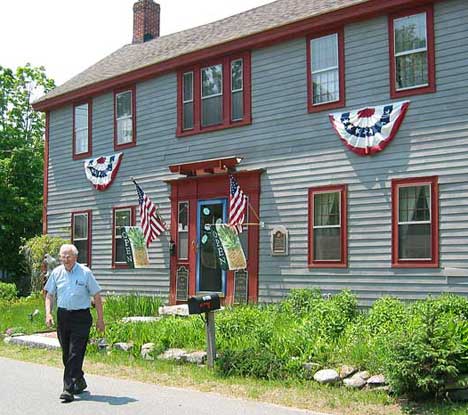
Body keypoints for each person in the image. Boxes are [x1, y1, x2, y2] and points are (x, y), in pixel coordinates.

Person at [44, 244, 105, 403]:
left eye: (68, 256)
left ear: (75, 257)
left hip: (81, 317)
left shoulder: (85, 273)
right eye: (62, 256)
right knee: (67, 354)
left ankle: (68, 389)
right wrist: (48, 313)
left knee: (75, 353)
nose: (65, 259)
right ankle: (79, 379)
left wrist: (100, 320)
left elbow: (97, 296)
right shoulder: (56, 272)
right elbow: (49, 295)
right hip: (63, 316)